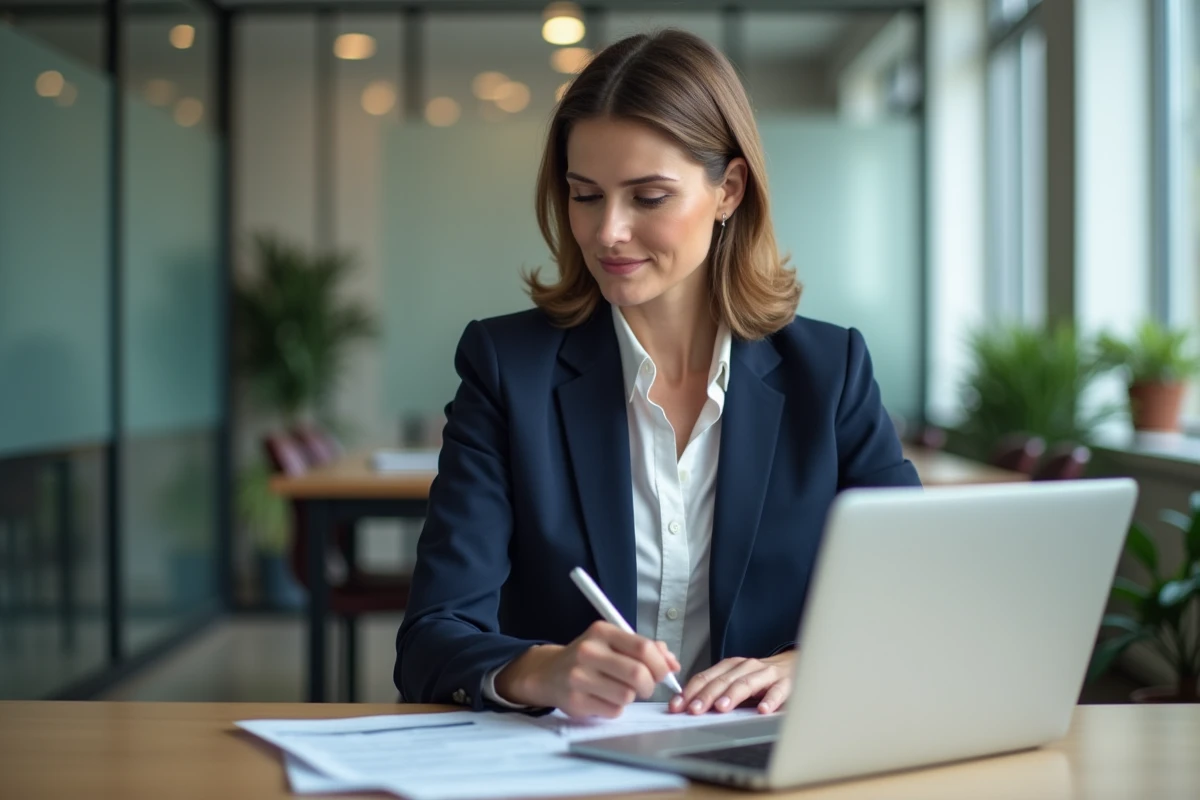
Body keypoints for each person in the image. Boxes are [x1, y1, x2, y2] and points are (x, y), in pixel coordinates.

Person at [394, 29, 920, 720]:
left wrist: (811, 664)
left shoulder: (830, 373)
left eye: (647, 197)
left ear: (728, 190)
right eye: (585, 195)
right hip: (570, 772)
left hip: (770, 760)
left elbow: (917, 599)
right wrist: (539, 671)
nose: (607, 231)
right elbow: (431, 640)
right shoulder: (507, 371)